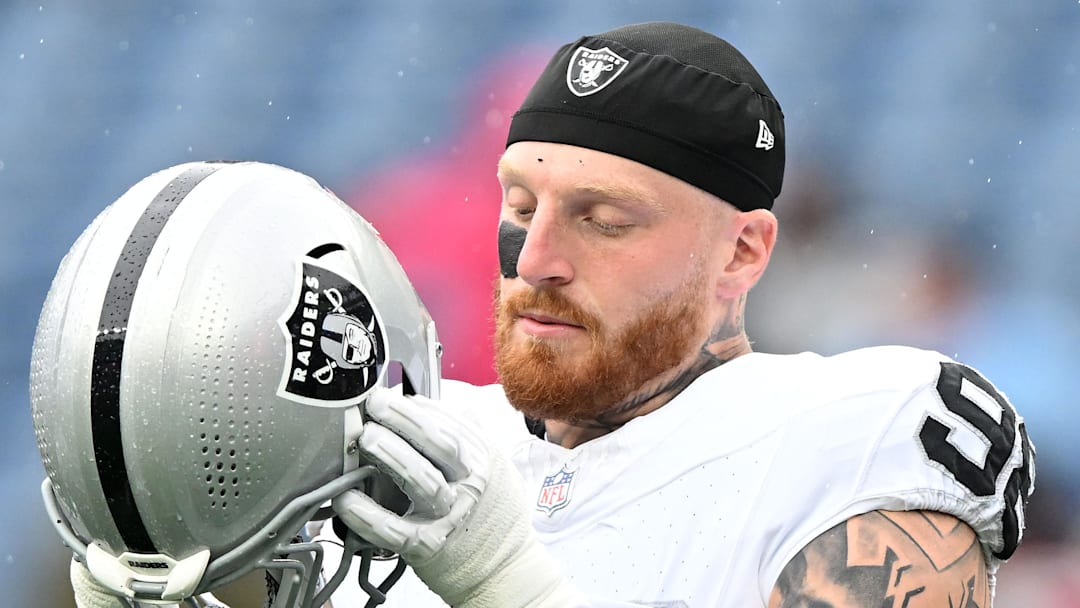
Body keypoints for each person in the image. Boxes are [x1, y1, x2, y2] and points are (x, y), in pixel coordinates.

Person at [42, 22, 1033, 608]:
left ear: (742, 251)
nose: (537, 258)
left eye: (605, 219)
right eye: (520, 206)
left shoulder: (861, 431)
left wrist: (503, 583)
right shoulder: (401, 445)